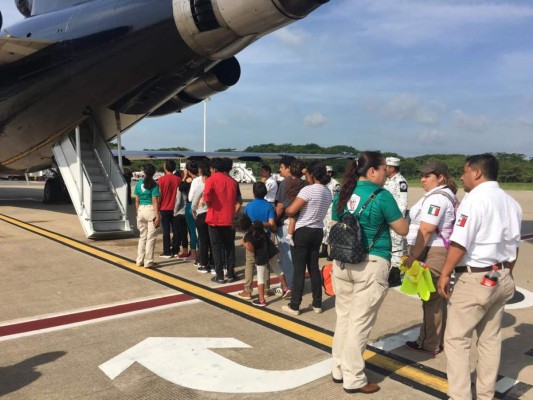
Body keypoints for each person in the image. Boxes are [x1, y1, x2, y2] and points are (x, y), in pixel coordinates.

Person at [437, 154, 521, 400]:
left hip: (475, 278)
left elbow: (460, 242)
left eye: (464, 172)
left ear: (476, 173)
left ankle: (460, 396)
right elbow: (515, 246)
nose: (462, 176)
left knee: (456, 340)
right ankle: (485, 394)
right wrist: (507, 273)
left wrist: (445, 272)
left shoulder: (474, 200)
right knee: (490, 340)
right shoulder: (511, 202)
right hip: (502, 274)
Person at [330, 152, 408, 394]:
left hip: (342, 262)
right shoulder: (382, 196)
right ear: (372, 171)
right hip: (371, 263)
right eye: (384, 169)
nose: (386, 173)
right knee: (360, 323)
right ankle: (354, 378)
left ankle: (338, 368)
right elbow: (402, 229)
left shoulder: (343, 193)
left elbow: (335, 223)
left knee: (343, 317)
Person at [403, 159, 458, 356]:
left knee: (430, 298)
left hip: (432, 251)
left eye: (427, 176)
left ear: (440, 177)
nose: (422, 179)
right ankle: (438, 339)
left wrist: (413, 256)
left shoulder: (437, 198)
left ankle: (429, 343)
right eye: (422, 175)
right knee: (438, 298)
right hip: (436, 250)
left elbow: (426, 230)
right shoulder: (444, 195)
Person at [282, 163, 332, 316]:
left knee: (299, 269)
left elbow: (291, 210)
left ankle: (295, 305)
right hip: (317, 230)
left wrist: (287, 209)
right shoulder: (328, 192)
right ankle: (317, 303)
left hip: (303, 230)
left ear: (313, 174)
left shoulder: (308, 190)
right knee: (313, 267)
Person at [237, 214, 289, 307]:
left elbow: (252, 249)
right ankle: (286, 288)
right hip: (270, 249)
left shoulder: (247, 236)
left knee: (260, 278)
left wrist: (244, 244)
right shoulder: (256, 224)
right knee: (278, 270)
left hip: (261, 256)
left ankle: (261, 300)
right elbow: (265, 224)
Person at [204, 157, 240, 283]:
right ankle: (231, 274)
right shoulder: (232, 182)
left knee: (216, 247)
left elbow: (207, 197)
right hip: (229, 219)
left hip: (215, 218)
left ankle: (219, 275)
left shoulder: (211, 179)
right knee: (229, 247)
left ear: (214, 168)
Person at [384, 157, 408, 286]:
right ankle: (390, 273)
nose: (385, 169)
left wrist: (395, 220)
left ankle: (395, 276)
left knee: (397, 248)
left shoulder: (400, 182)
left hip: (395, 221)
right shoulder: (388, 181)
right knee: (390, 247)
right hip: (387, 220)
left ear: (392, 168)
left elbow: (402, 204)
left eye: (386, 167)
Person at [275, 155, 296, 290]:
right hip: (297, 223)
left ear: (288, 168)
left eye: (282, 167)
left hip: (285, 222)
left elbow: (281, 205)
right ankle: (293, 281)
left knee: (286, 255)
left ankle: (288, 284)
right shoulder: (302, 182)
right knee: (294, 255)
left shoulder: (285, 183)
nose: (280, 170)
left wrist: (273, 220)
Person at [134, 164, 161, 268]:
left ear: (144, 172)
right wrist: (157, 215)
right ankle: (148, 261)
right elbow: (155, 201)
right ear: (154, 173)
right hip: (151, 210)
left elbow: (136, 199)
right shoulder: (154, 184)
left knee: (142, 236)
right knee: (151, 237)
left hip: (141, 210)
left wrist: (137, 212)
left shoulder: (138, 183)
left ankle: (139, 260)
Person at [191, 160, 213, 273]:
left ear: (204, 175)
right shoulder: (215, 185)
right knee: (213, 241)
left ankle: (204, 264)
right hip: (213, 214)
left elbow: (194, 202)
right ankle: (214, 264)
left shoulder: (202, 185)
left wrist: (193, 210)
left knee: (203, 240)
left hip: (202, 215)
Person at [157, 160, 181, 258]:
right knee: (176, 230)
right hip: (176, 208)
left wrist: (157, 209)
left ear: (165, 167)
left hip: (164, 208)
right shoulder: (178, 179)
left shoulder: (161, 180)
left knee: (166, 231)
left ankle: (166, 251)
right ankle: (175, 250)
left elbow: (159, 196)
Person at [282, 159, 307, 246]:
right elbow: (310, 183)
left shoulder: (287, 181)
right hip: (294, 202)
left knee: (291, 218)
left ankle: (288, 225)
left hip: (287, 201)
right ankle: (289, 235)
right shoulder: (301, 183)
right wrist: (306, 173)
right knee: (293, 219)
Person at [319, 165, 340, 259]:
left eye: (331, 172)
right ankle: (324, 250)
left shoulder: (335, 183)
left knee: (331, 229)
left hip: (332, 207)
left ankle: (332, 252)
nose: (329, 174)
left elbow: (339, 197)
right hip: (323, 207)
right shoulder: (321, 182)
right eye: (328, 172)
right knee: (323, 230)